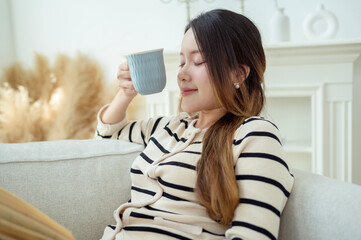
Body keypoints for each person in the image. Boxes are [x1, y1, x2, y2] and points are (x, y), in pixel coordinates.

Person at [95, 9, 294, 240]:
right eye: (181, 62)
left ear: (239, 73)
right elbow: (106, 137)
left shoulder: (255, 135)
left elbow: (252, 235)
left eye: (198, 61)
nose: (182, 74)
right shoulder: (171, 127)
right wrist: (125, 93)